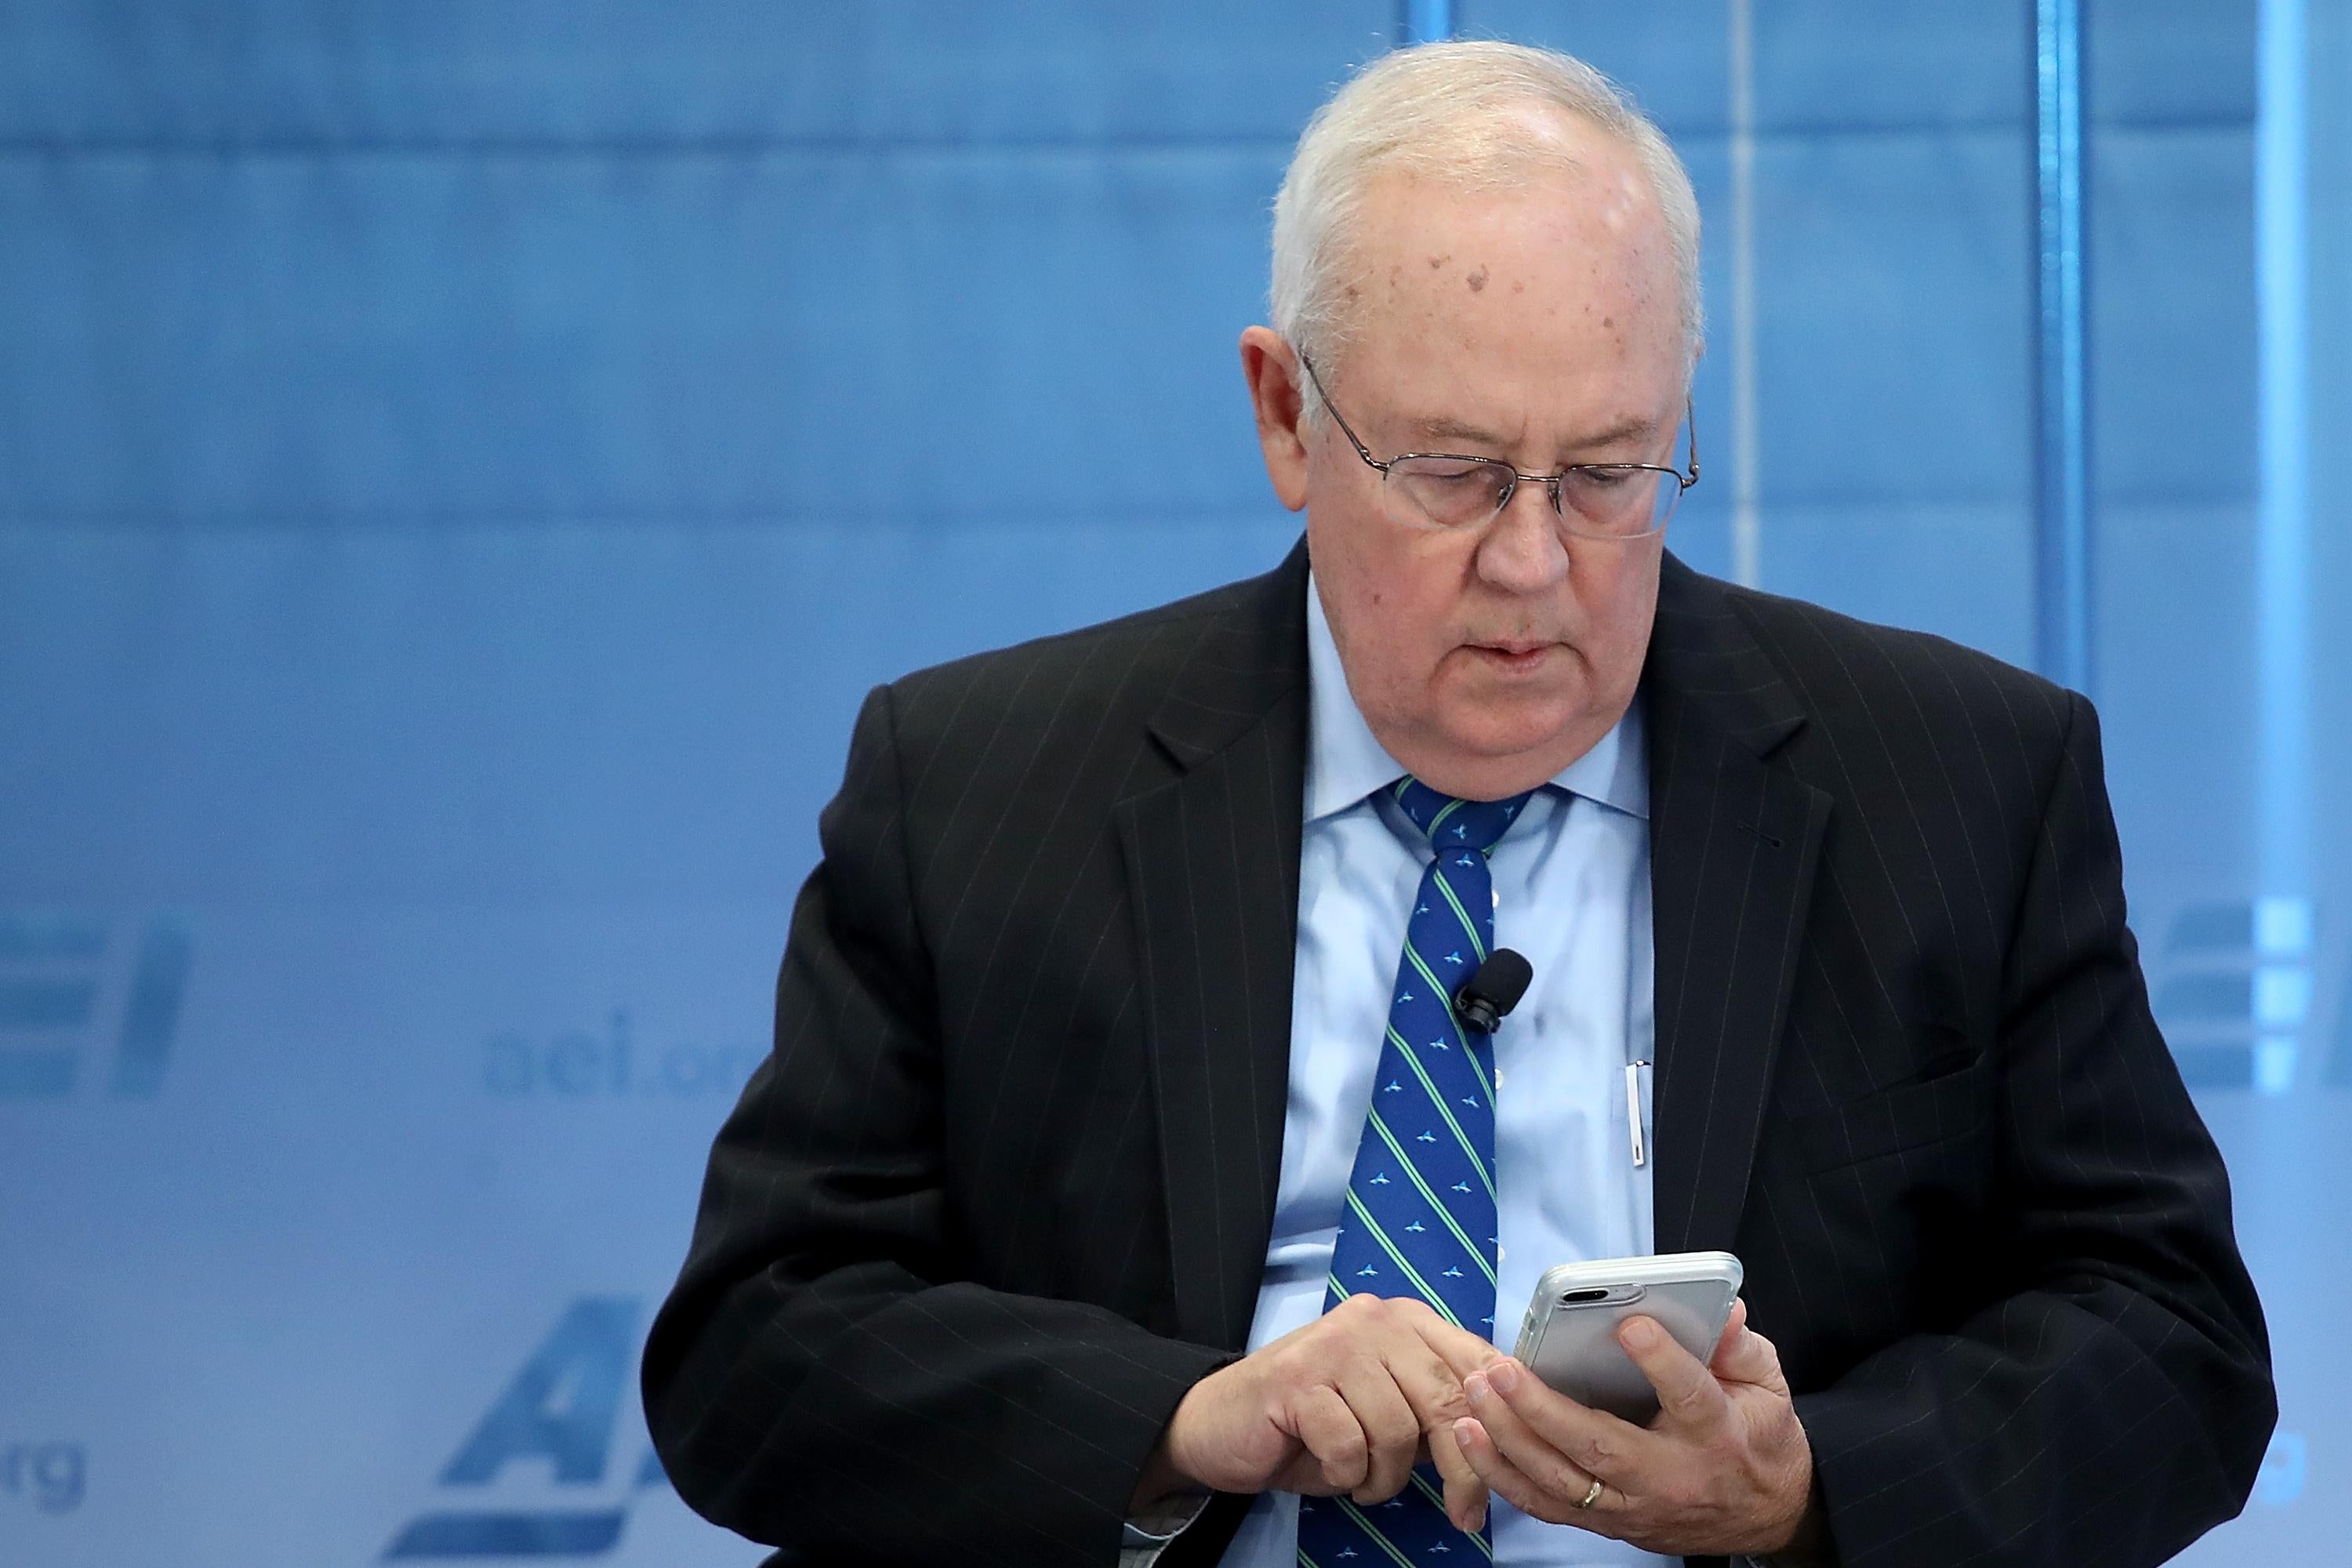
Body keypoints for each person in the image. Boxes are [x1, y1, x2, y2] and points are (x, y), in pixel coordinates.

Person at [643, 40, 2273, 1568]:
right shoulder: (980, 784)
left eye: (1610, 470)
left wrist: (1810, 1491)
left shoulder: (1964, 779)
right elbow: (756, 1347)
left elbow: (2172, 1338)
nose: (1532, 560)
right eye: (1454, 470)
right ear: (1287, 414)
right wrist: (1181, 1419)